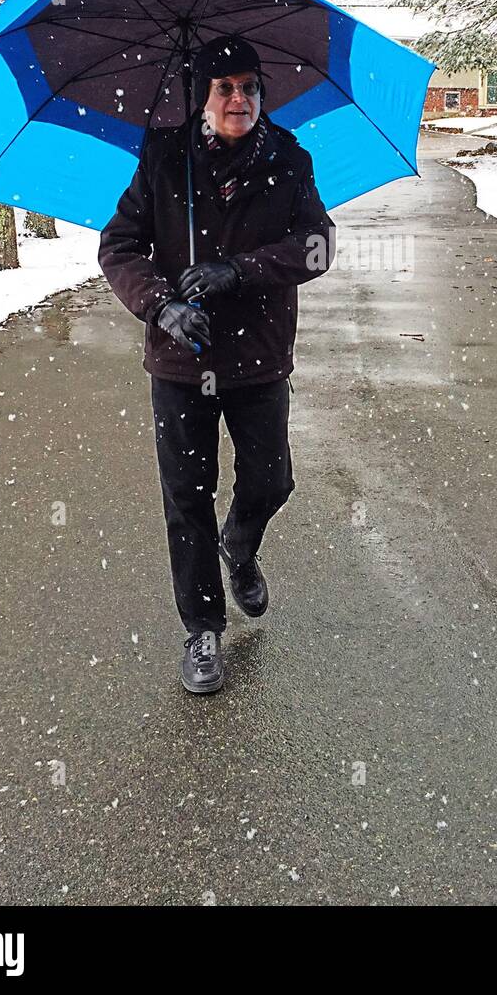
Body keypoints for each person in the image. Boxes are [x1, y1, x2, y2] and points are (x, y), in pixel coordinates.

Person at [98, 34, 335, 694]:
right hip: (180, 362)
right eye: (225, 87)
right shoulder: (164, 158)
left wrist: (240, 270)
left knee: (272, 480)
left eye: (250, 86)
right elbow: (119, 247)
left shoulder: (288, 159)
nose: (240, 98)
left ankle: (244, 542)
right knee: (186, 499)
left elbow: (318, 247)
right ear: (200, 97)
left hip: (258, 356)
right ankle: (203, 630)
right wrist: (161, 305)